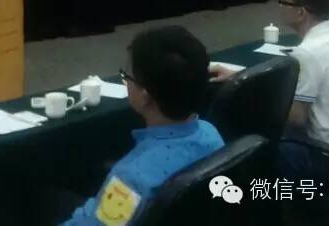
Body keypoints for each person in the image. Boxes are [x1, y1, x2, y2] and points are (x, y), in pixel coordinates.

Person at [212, 0, 329, 177]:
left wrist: (252, 93)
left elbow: (295, 118)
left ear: (300, 12)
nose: (280, 6)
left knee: (253, 146)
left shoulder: (308, 53)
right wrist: (242, 75)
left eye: (284, 1)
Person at [60, 26, 225, 226]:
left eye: (126, 77)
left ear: (146, 95)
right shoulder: (210, 133)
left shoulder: (131, 178)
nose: (126, 83)